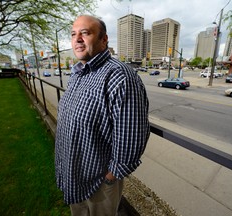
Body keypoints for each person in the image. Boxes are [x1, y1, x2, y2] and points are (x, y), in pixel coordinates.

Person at [55, 15, 150, 216]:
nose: (77, 39)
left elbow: (131, 134)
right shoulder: (78, 72)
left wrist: (111, 175)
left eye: (85, 33)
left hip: (98, 181)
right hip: (74, 175)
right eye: (73, 34)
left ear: (104, 39)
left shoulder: (119, 75)